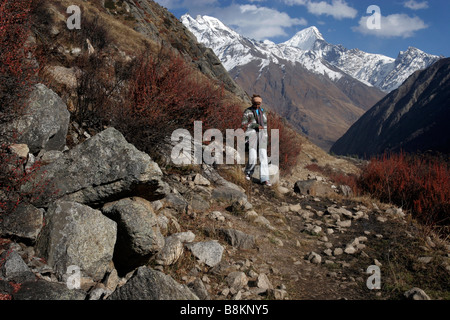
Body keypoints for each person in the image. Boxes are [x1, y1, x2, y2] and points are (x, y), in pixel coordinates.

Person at [241, 94, 271, 186]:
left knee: (263, 156)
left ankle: (265, 178)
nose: (257, 105)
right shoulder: (247, 111)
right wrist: (256, 126)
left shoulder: (263, 111)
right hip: (251, 135)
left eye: (259, 103)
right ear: (252, 102)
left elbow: (265, 125)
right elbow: (244, 123)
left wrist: (265, 135)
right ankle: (248, 173)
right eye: (255, 103)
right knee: (253, 156)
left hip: (262, 135)